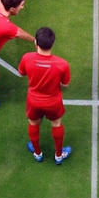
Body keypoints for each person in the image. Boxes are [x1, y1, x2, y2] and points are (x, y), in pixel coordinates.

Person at [18, 26, 72, 164]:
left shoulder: (27, 58)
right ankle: (59, 156)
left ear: (36, 42)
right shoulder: (62, 64)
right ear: (52, 43)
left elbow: (21, 73)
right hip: (53, 101)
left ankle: (37, 153)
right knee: (56, 123)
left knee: (33, 123)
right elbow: (65, 85)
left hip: (33, 100)